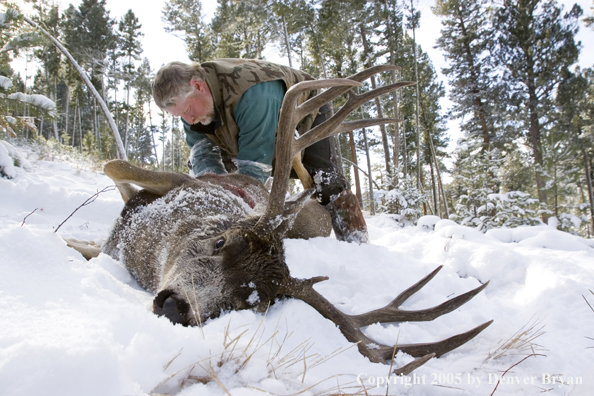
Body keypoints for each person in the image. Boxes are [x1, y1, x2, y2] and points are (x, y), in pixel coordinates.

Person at [152, 58, 368, 244]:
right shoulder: (192, 110)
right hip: (243, 130)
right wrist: (214, 193)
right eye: (180, 116)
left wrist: (237, 204)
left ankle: (357, 245)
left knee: (325, 180)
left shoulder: (253, 96)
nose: (188, 121)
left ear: (198, 86)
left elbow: (254, 170)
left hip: (306, 113)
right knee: (223, 180)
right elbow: (203, 157)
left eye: (188, 111)